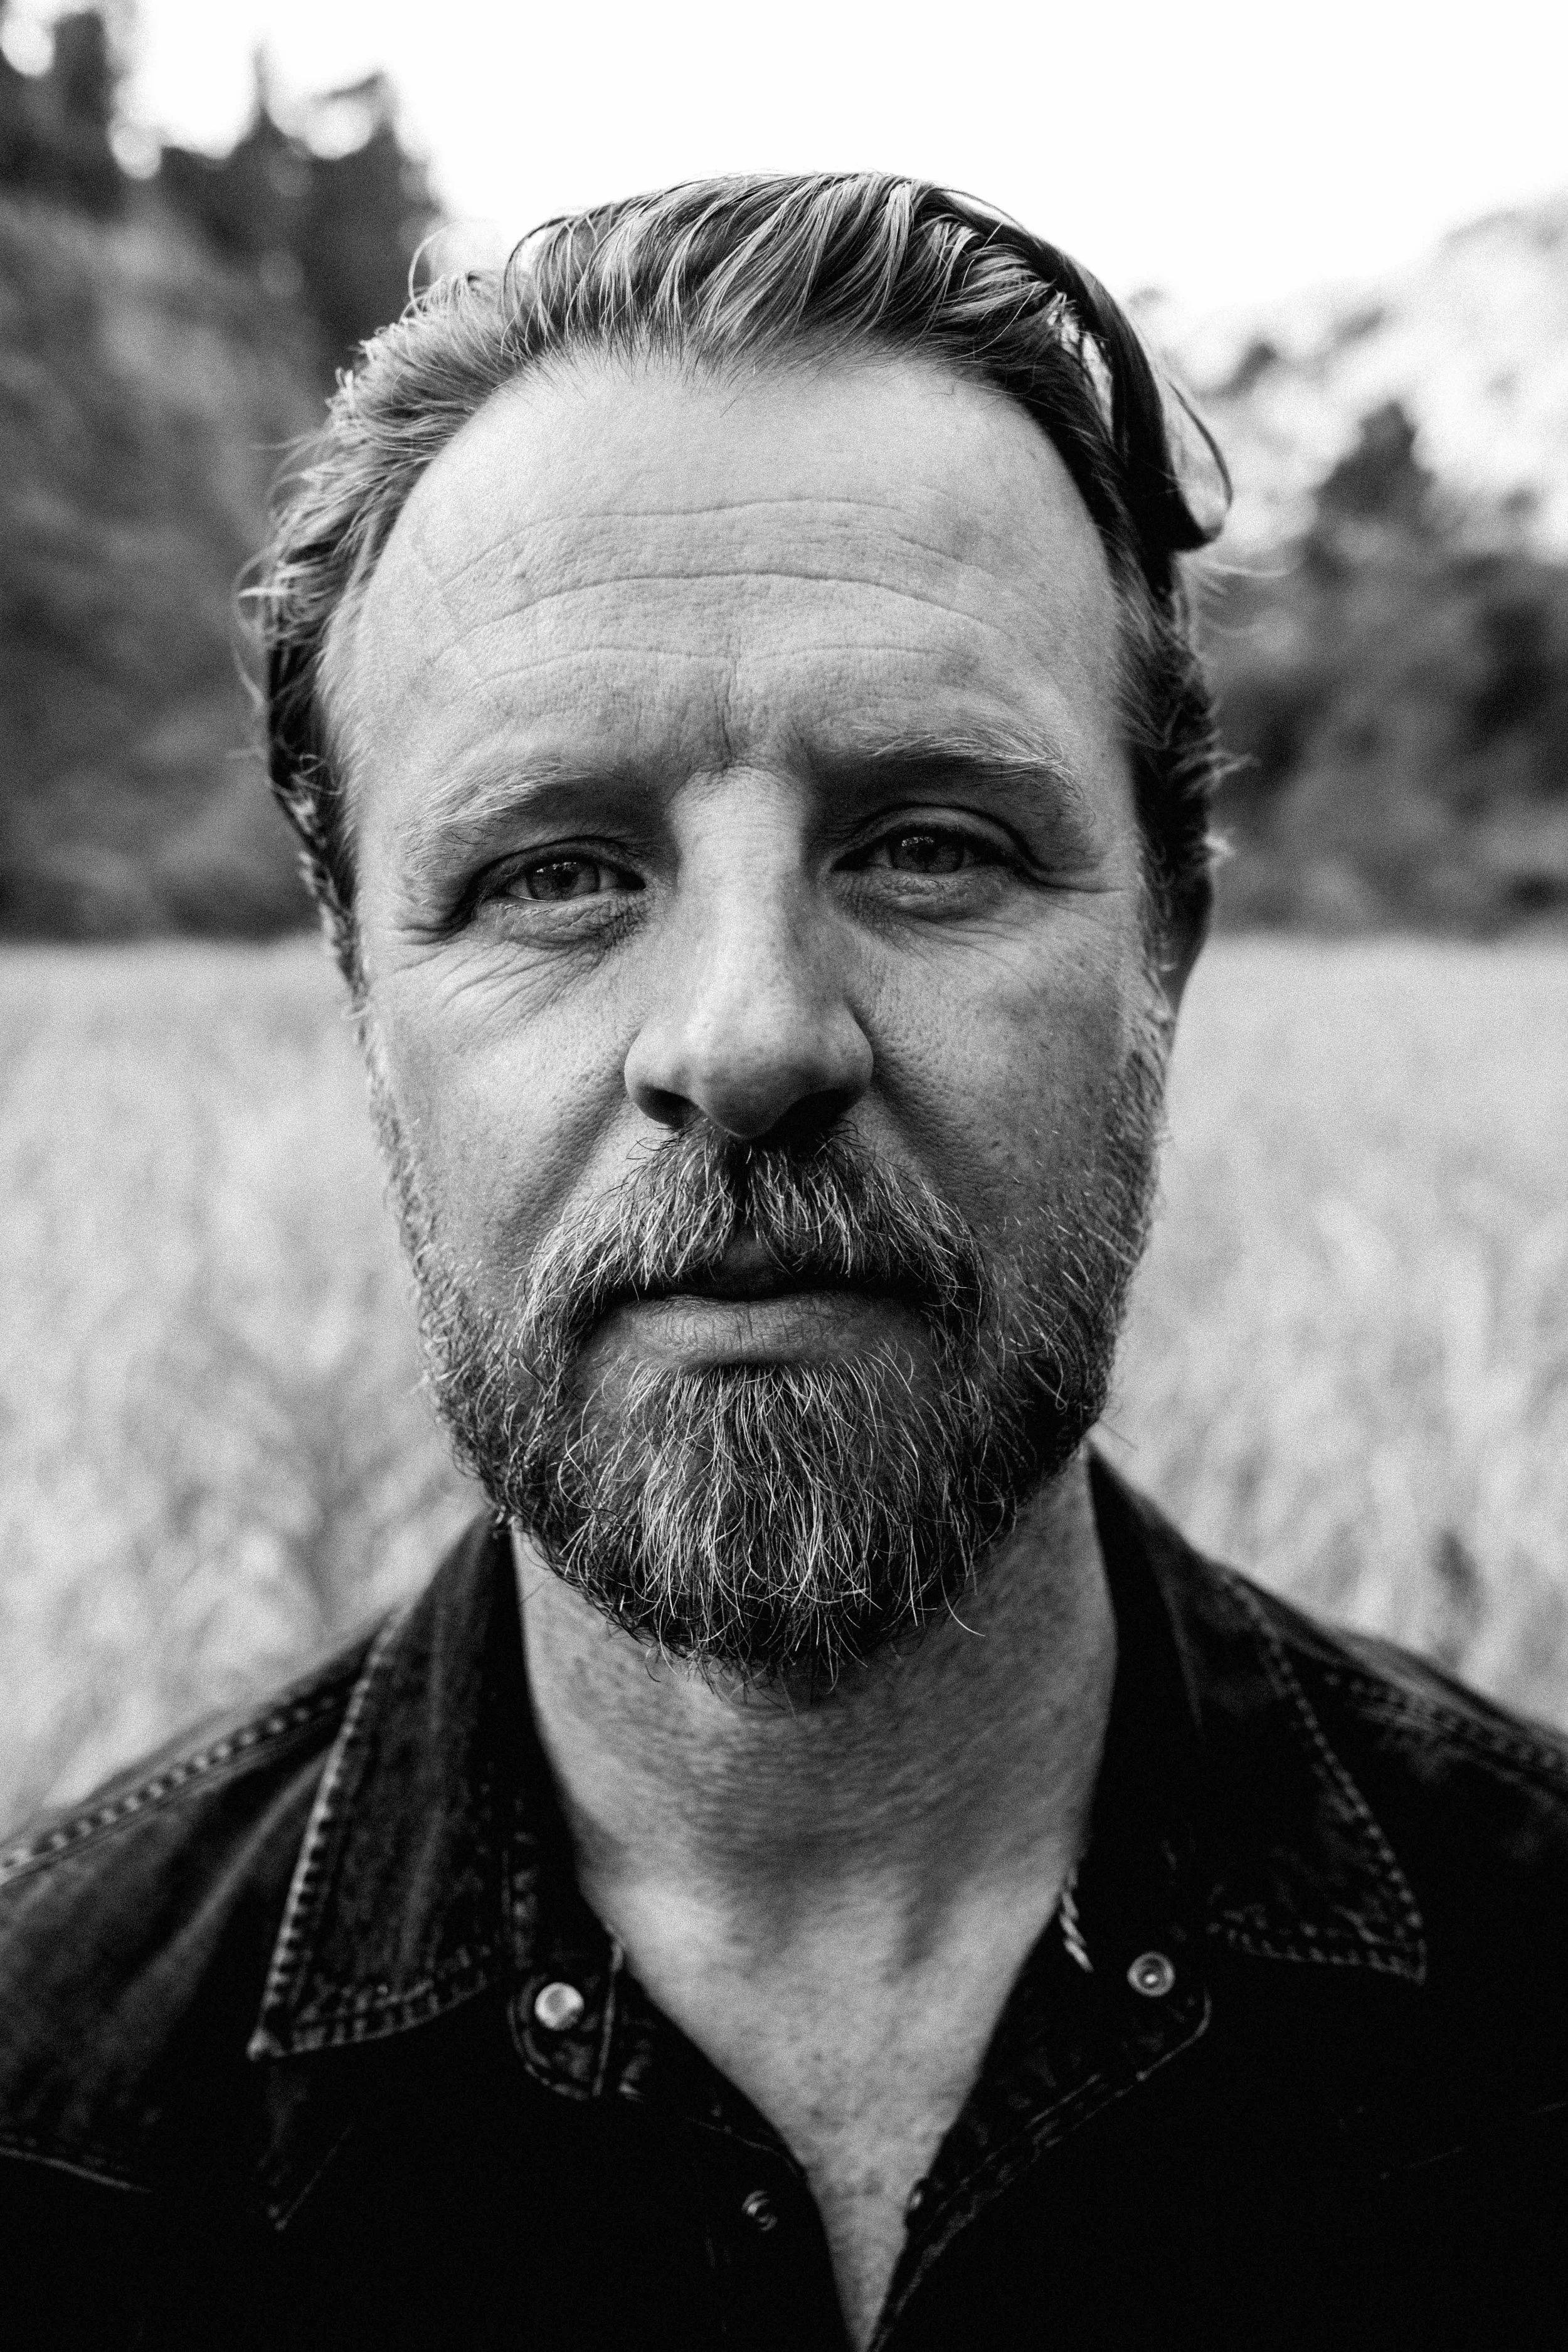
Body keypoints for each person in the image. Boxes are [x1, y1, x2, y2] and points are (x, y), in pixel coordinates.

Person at [1, 172, 1564, 2352]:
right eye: (556, 869)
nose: (744, 1036)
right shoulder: (47, 2139)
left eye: (930, 843)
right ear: (362, 990)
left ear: (1165, 941)